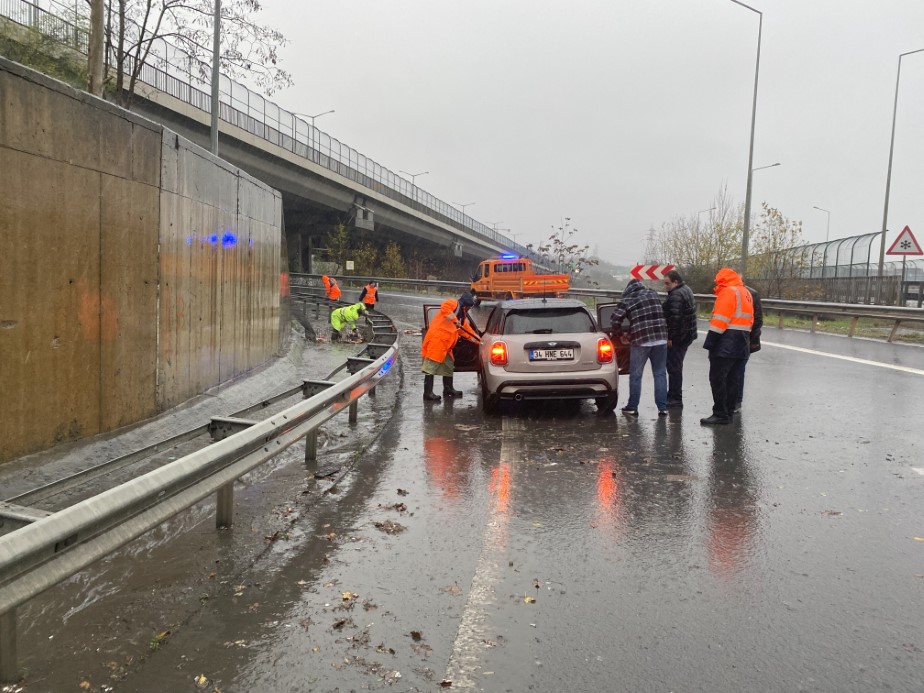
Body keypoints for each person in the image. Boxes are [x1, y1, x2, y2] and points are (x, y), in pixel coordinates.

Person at [700, 268, 754, 425]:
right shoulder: (745, 292)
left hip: (726, 342)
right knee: (733, 379)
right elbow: (750, 319)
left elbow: (720, 320)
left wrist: (710, 342)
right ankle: (729, 411)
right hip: (742, 341)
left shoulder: (728, 292)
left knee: (718, 379)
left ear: (721, 280)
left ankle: (720, 413)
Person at [609, 279, 669, 416]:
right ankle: (663, 407)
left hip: (641, 340)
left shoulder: (628, 298)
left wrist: (620, 335)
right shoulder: (653, 294)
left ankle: (632, 407)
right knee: (660, 373)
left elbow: (614, 319)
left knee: (636, 375)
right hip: (661, 338)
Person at [421, 298, 479, 401]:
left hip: (447, 345)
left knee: (448, 366)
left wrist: (480, 341)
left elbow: (467, 332)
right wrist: (455, 320)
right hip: (437, 341)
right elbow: (445, 309)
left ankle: (448, 389)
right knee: (430, 367)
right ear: (466, 306)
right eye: (469, 308)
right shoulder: (453, 303)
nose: (469, 309)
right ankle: (427, 393)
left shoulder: (462, 318)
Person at [661, 269, 699, 408]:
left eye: (667, 283)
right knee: (676, 367)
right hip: (687, 335)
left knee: (674, 368)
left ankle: (675, 398)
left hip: (679, 337)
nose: (665, 286)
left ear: (675, 282)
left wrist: (670, 337)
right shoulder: (686, 289)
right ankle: (673, 395)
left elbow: (675, 319)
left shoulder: (676, 295)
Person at [735, 284, 763, 412]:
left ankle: (736, 401)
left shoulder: (750, 294)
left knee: (738, 371)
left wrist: (754, 341)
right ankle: (735, 401)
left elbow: (757, 320)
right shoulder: (750, 293)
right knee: (737, 371)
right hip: (741, 338)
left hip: (744, 339)